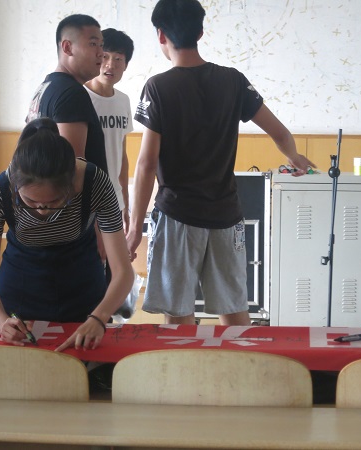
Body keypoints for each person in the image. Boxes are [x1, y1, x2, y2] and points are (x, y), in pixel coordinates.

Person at [126, 0, 316, 326]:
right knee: (234, 310)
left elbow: (146, 165)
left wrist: (133, 230)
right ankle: (239, 361)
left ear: (161, 35)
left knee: (179, 314)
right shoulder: (233, 80)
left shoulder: (158, 87)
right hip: (226, 216)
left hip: (177, 215)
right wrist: (295, 157)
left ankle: (184, 362)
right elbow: (280, 133)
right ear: (200, 32)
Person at [0, 118, 134, 351]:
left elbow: (123, 272)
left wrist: (99, 317)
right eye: (30, 201)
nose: (42, 210)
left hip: (82, 285)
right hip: (21, 288)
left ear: (72, 183)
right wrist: (1, 322)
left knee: (87, 364)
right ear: (16, 187)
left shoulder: (95, 183)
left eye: (55, 201)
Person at [26, 13, 107, 174]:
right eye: (93, 44)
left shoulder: (45, 87)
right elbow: (73, 170)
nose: (101, 53)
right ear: (67, 47)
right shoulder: (72, 94)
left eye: (101, 45)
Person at [85, 28, 134, 232]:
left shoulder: (123, 100)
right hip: (85, 199)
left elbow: (121, 154)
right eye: (105, 56)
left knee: (112, 254)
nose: (110, 65)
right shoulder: (80, 96)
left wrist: (125, 202)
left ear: (126, 65)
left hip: (113, 198)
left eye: (118, 59)